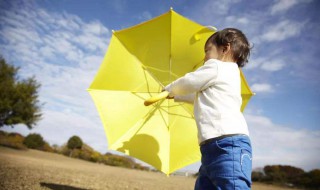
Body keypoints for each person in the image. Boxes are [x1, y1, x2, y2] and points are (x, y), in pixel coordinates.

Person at [164, 28, 252, 190]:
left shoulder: (218, 67)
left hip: (228, 145)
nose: (204, 57)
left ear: (225, 49)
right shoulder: (227, 76)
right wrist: (176, 97)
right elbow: (198, 97)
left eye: (207, 51)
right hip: (210, 147)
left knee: (231, 185)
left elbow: (189, 82)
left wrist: (169, 89)